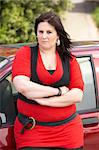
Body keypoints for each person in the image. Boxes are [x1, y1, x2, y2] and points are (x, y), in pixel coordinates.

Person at [12, 11, 84, 150]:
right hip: (32, 132)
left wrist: (44, 101)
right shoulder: (25, 53)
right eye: (41, 31)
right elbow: (23, 87)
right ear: (36, 33)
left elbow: (77, 95)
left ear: (58, 34)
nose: (44, 36)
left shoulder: (69, 60)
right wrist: (58, 91)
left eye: (49, 32)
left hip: (68, 132)